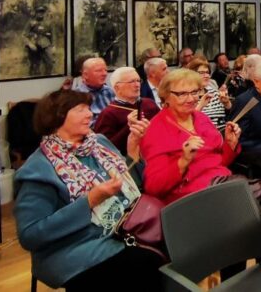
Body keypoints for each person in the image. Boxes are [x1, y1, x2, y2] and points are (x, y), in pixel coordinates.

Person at [14, 90, 161, 290]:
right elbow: (30, 236)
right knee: (146, 265)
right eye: (81, 109)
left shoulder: (98, 143)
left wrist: (133, 154)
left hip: (123, 229)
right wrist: (90, 200)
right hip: (75, 249)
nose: (90, 114)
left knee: (169, 249)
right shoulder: (37, 170)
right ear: (57, 116)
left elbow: (128, 187)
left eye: (88, 108)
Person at [140, 69, 241, 205]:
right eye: (182, 94)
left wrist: (230, 144)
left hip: (221, 184)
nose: (191, 99)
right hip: (189, 200)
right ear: (165, 96)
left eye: (194, 92)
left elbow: (217, 161)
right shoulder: (156, 130)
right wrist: (183, 161)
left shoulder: (201, 118)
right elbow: (153, 187)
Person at [93, 67, 159, 155]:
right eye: (132, 82)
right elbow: (105, 149)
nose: (137, 85)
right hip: (128, 161)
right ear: (117, 87)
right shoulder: (108, 113)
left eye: (138, 81)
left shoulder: (149, 103)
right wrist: (130, 126)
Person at [187, 58, 231, 132]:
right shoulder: (187, 96)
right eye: (202, 73)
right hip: (201, 138)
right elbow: (186, 122)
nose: (206, 75)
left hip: (223, 135)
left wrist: (227, 104)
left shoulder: (214, 92)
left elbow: (229, 116)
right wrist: (200, 106)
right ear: (192, 74)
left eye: (207, 72)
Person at [75, 57, 115, 125]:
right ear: (85, 75)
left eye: (106, 70)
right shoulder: (76, 96)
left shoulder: (110, 92)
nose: (104, 74)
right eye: (99, 71)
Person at [24, 5, 54, 77]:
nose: (40, 14)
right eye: (39, 12)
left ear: (44, 13)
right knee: (35, 65)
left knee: (50, 64)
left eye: (42, 12)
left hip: (45, 44)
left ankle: (47, 78)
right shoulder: (31, 22)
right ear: (36, 13)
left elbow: (53, 35)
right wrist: (30, 44)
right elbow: (24, 35)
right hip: (34, 45)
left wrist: (53, 46)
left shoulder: (48, 23)